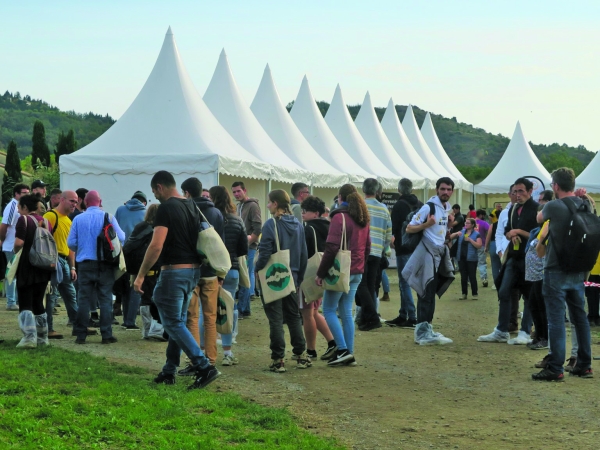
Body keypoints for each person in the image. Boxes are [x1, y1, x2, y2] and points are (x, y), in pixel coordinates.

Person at [133, 170, 220, 389]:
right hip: (193, 271)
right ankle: (169, 370)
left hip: (174, 271)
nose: (155, 196)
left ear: (160, 187)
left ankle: (203, 366)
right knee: (177, 321)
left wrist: (141, 274)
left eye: (154, 191)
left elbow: (156, 244)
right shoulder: (192, 205)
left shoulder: (166, 208)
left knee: (172, 322)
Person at [532, 168, 593, 381]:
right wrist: (581, 197)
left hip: (555, 268)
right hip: (578, 268)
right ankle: (584, 364)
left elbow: (539, 218)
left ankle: (555, 367)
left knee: (556, 320)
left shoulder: (553, 206)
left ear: (555, 186)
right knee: (580, 318)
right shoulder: (586, 204)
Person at [478, 177, 539, 344]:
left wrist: (519, 231)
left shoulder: (537, 209)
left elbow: (539, 235)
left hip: (530, 258)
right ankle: (501, 330)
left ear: (530, 191)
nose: (518, 195)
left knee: (528, 296)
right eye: (515, 192)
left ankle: (525, 332)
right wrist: (510, 235)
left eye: (521, 191)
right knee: (504, 290)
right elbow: (506, 231)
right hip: (513, 256)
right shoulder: (513, 209)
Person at [255, 189, 309, 372]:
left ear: (276, 204)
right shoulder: (298, 224)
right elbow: (303, 254)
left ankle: (278, 359)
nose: (268, 205)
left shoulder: (271, 225)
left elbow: (264, 252)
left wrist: (257, 269)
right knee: (294, 317)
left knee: (276, 318)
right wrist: (299, 277)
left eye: (269, 202)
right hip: (292, 276)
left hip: (274, 276)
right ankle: (301, 355)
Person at [316, 184, 370, 366]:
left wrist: (321, 273)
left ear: (340, 197)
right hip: (357, 270)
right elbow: (368, 246)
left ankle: (342, 349)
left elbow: (331, 247)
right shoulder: (363, 218)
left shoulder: (339, 218)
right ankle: (349, 352)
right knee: (346, 311)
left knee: (329, 309)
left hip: (341, 270)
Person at [402, 177, 456, 345]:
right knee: (426, 291)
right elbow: (409, 228)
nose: (445, 192)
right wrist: (427, 224)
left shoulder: (446, 208)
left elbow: (439, 230)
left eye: (448, 189)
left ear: (452, 191)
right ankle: (422, 332)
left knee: (429, 291)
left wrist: (447, 229)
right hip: (427, 253)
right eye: (443, 189)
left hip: (437, 254)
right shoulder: (429, 206)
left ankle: (426, 328)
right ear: (437, 190)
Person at [178, 177, 224, 374]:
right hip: (212, 272)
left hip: (193, 270)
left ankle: (195, 360)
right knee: (210, 318)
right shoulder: (216, 213)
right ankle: (211, 359)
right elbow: (221, 245)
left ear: (187, 193)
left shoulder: (185, 210)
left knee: (191, 317)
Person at [68, 190, 125, 344]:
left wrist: (83, 247)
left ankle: (81, 335)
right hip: (105, 264)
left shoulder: (78, 219)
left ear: (85, 202)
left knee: (83, 300)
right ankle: (106, 335)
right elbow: (122, 237)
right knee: (105, 299)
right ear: (100, 202)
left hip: (85, 264)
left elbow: (71, 243)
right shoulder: (108, 217)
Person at [209, 185, 248, 366]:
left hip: (212, 270)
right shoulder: (237, 220)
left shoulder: (210, 218)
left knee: (206, 311)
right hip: (231, 269)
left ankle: (205, 350)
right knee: (228, 310)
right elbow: (243, 249)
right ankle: (227, 352)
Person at [13, 194, 53, 348]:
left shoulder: (23, 220)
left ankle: (29, 338)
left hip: (27, 265)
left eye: (19, 206)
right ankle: (43, 337)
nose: (18, 209)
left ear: (25, 207)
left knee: (25, 300)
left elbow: (19, 242)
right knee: (38, 301)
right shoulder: (46, 222)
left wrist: (15, 250)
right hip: (43, 266)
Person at [300, 195, 337, 360]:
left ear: (315, 213)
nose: (302, 214)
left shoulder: (308, 228)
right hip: (325, 272)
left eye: (305, 211)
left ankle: (311, 350)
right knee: (314, 312)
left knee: (307, 313)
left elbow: (303, 253)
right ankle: (332, 342)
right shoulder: (330, 226)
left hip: (309, 273)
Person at [355, 178, 392, 331]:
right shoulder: (384, 208)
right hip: (377, 251)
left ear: (363, 190)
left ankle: (372, 317)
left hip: (362, 249)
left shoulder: (360, 206)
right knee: (370, 285)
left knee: (359, 284)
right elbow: (389, 233)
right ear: (377, 191)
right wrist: (385, 247)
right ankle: (366, 319)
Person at [43, 191, 80, 339]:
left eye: (76, 202)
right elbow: (42, 240)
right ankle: (48, 328)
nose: (74, 204)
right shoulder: (50, 216)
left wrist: (72, 267)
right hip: (54, 260)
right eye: (72, 201)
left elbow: (70, 247)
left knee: (70, 294)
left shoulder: (69, 221)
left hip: (64, 261)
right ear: (62, 200)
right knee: (52, 296)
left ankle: (78, 326)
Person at [126, 204, 165, 341]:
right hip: (157, 268)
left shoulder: (140, 227)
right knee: (157, 298)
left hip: (139, 268)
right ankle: (157, 328)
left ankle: (147, 330)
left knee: (144, 299)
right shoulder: (160, 229)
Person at [387, 178, 422, 328]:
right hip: (418, 247)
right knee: (411, 281)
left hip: (403, 247)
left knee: (404, 282)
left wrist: (393, 241)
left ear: (399, 190)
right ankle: (403, 313)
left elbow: (394, 227)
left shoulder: (399, 205)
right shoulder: (420, 204)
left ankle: (412, 316)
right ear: (412, 189)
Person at [114, 191, 148, 331]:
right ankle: (130, 321)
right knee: (135, 286)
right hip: (139, 254)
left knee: (124, 286)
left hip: (122, 252)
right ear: (144, 202)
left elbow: (114, 229)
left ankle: (125, 319)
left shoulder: (120, 209)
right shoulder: (146, 212)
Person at [232, 181, 262, 318]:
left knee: (244, 279)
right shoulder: (238, 206)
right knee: (242, 278)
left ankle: (242, 309)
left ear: (245, 190)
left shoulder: (253, 206)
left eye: (238, 191)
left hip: (249, 248)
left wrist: (249, 240)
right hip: (241, 247)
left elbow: (257, 227)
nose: (236, 194)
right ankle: (245, 309)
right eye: (234, 192)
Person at [0, 183, 30, 311]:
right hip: (11, 245)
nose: (27, 195)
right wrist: (2, 240)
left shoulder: (20, 206)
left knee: (17, 273)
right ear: (16, 194)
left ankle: (16, 299)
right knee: (11, 273)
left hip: (16, 244)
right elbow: (4, 225)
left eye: (28, 192)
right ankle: (11, 301)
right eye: (24, 193)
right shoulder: (12, 206)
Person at [450, 218, 482, 300]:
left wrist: (470, 240)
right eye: (465, 223)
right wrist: (456, 233)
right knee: (463, 277)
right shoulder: (462, 232)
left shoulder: (476, 234)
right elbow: (450, 237)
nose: (466, 224)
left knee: (472, 276)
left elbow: (479, 245)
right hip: (461, 257)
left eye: (468, 223)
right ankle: (464, 293)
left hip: (471, 259)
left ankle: (475, 293)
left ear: (472, 225)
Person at [475, 209, 490, 287]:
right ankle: (484, 279)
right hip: (481, 245)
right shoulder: (484, 223)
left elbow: (464, 232)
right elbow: (490, 232)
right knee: (482, 263)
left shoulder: (470, 222)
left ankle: (469, 279)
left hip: (471, 246)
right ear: (481, 215)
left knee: (470, 264)